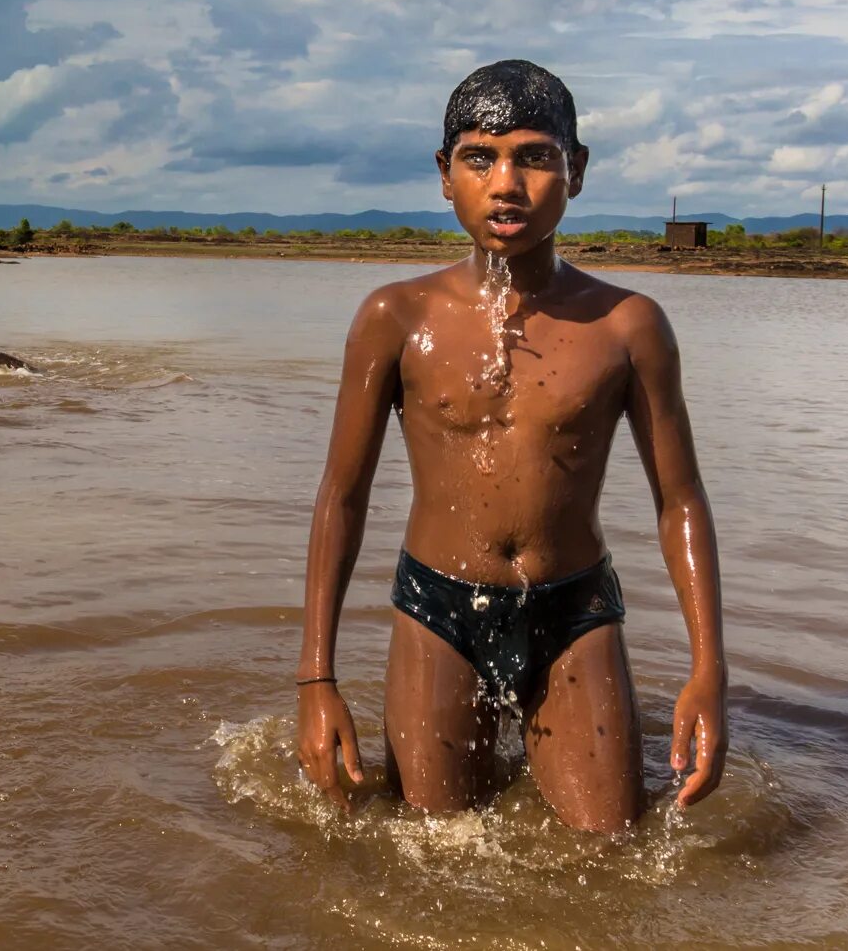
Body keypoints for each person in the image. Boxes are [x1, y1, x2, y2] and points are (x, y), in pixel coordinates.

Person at [295, 59, 727, 834]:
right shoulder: (394, 316)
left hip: (573, 610)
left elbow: (680, 499)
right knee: (430, 850)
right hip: (437, 607)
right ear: (443, 173)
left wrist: (709, 672)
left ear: (576, 170)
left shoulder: (628, 325)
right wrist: (314, 678)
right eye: (479, 157)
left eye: (534, 156)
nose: (505, 183)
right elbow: (342, 494)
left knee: (612, 848)